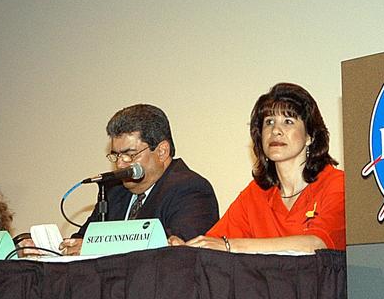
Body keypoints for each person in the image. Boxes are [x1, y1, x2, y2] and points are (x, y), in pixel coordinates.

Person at [187, 82, 345, 253]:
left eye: (288, 121)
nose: (276, 130)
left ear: (310, 136)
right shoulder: (255, 193)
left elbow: (315, 245)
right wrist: (182, 249)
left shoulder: (337, 184)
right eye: (269, 122)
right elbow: (212, 244)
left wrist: (231, 245)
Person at [59, 104, 219, 255]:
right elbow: (82, 239)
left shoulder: (191, 189)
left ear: (162, 151)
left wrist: (95, 248)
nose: (121, 163)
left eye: (130, 154)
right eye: (116, 155)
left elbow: (176, 250)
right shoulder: (114, 190)